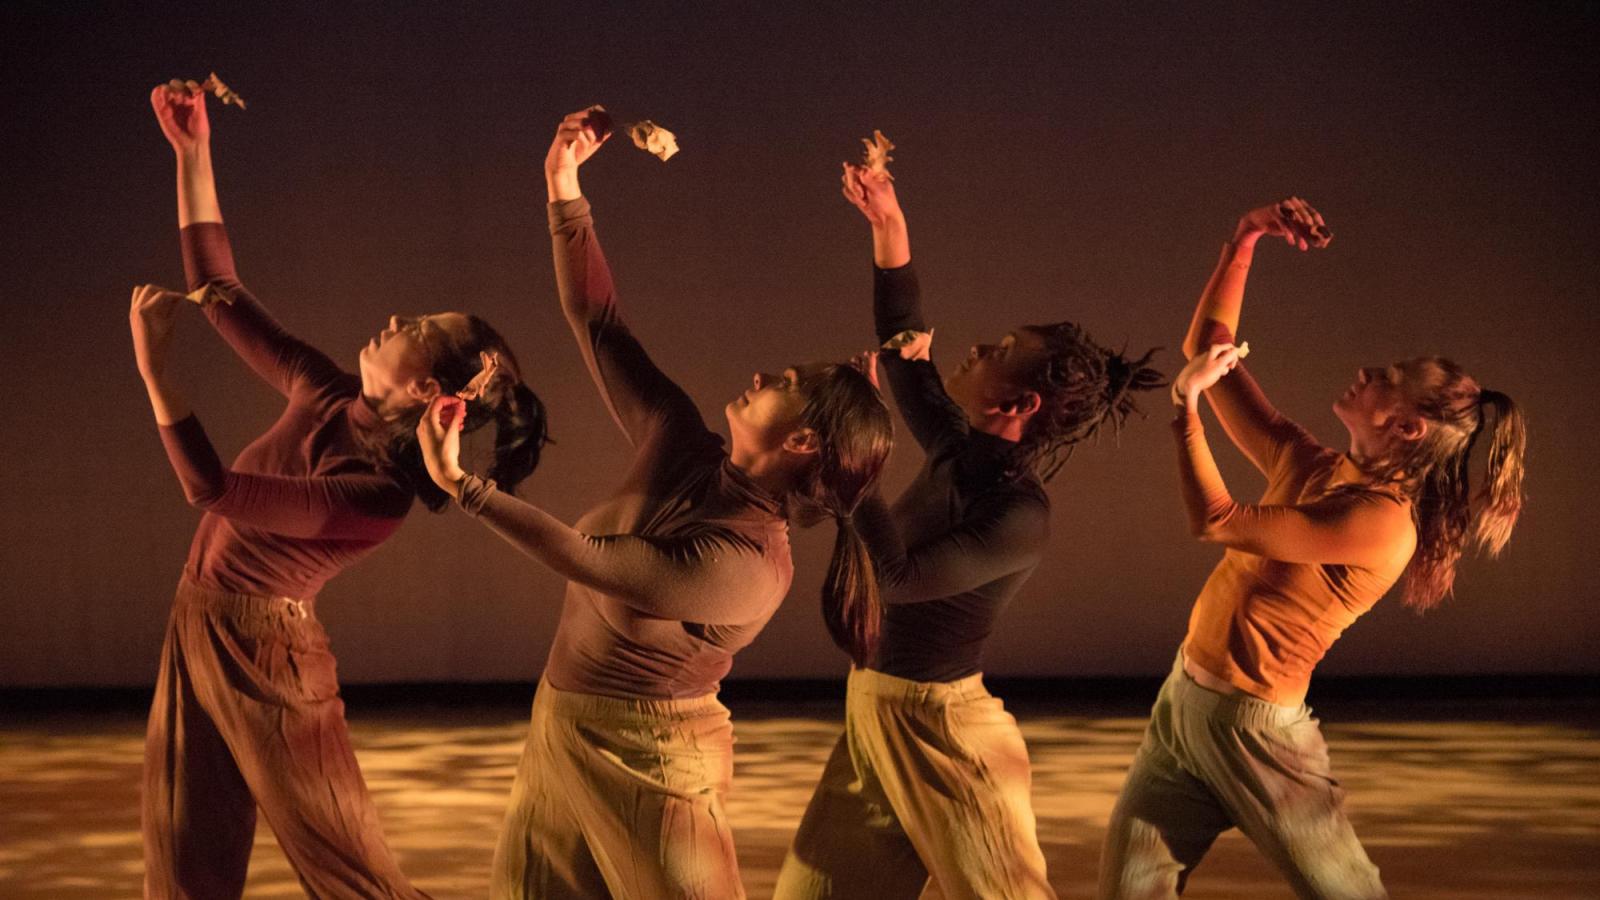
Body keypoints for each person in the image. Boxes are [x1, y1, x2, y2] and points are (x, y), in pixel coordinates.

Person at [411, 107, 894, 900]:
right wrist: (563, 187)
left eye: (791, 386)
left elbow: (587, 558)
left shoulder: (750, 565)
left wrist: (463, 485)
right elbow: (599, 324)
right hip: (559, 726)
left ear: (804, 442)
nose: (769, 374)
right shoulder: (682, 438)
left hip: (652, 758)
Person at [134, 80, 547, 899]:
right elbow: (219, 289)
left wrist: (154, 370)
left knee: (348, 866)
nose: (396, 321)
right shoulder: (327, 392)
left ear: (432, 391)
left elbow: (214, 490)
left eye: (417, 332)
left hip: (268, 654)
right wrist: (194, 154)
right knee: (182, 852)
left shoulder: (373, 496)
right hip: (198, 616)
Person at [1097, 198, 1527, 900]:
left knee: (1348, 893)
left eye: (1388, 377)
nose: (1369, 371)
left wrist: (1185, 410)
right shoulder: (1313, 463)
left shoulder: (1383, 523)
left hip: (1257, 734)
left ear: (1409, 427)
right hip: (1184, 709)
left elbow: (1216, 520)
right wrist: (1244, 240)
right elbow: (1207, 350)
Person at [773, 161, 1164, 900]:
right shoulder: (960, 447)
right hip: (875, 709)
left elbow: (898, 583)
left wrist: (852, 466)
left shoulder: (1018, 511)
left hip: (942, 732)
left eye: (999, 350)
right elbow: (902, 347)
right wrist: (890, 225)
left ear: (1017, 400)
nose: (977, 347)